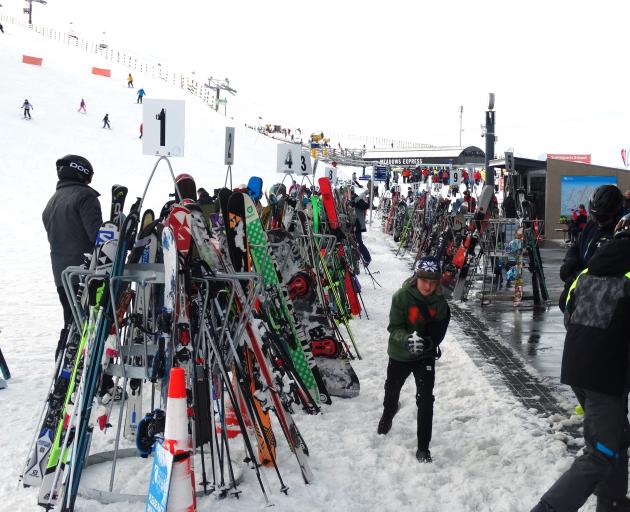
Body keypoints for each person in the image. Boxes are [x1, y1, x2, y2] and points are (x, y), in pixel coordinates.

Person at [531, 226, 630, 512]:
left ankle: (612, 503)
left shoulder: (590, 270)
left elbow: (566, 307)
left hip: (577, 365)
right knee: (600, 451)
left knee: (617, 435)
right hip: (606, 373)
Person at [378, 256, 451, 463]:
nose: (428, 286)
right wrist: (407, 339)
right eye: (424, 280)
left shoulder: (440, 303)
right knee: (392, 389)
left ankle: (423, 448)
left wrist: (429, 343)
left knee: (426, 399)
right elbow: (394, 328)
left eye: (432, 282)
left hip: (424, 356)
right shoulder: (401, 296)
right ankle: (389, 411)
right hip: (400, 354)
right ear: (416, 278)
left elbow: (439, 331)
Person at [42, 155, 102, 361]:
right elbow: (97, 236)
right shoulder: (85, 197)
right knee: (89, 325)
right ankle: (85, 372)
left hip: (62, 275)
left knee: (71, 322)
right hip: (85, 273)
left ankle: (63, 366)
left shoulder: (52, 202)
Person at [559, 185, 624, 310]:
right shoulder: (591, 225)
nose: (599, 221)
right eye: (595, 216)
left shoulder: (620, 233)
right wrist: (570, 261)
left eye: (603, 218)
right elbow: (577, 245)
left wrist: (577, 276)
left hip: (602, 296)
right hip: (578, 288)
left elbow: (607, 266)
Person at [352, 190, 371, 265]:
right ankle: (359, 258)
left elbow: (365, 206)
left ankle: (367, 258)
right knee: (356, 242)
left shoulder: (356, 199)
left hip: (358, 224)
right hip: (354, 224)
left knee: (359, 242)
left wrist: (355, 203)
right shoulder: (353, 199)